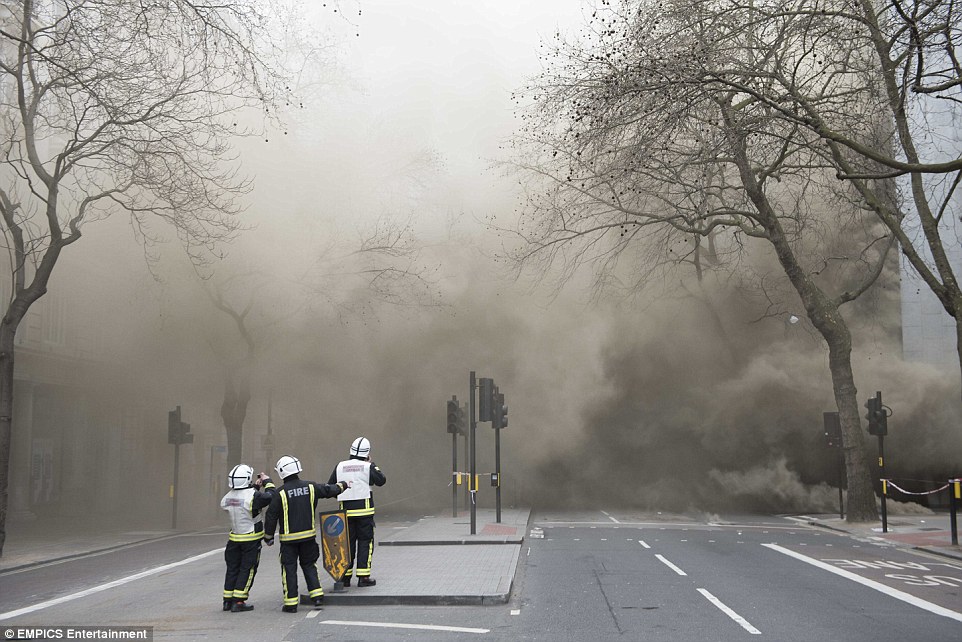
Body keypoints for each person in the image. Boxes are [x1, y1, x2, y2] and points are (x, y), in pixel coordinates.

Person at [263, 455, 349, 613]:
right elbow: (328, 490)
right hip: (308, 538)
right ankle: (317, 596)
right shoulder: (310, 487)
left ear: (282, 472)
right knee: (310, 565)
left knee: (289, 569)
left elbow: (271, 516)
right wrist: (343, 485)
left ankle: (291, 604)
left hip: (288, 542)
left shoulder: (280, 493)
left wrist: (268, 537)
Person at [328, 437, 386, 587]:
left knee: (347, 544)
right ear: (367, 453)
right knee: (365, 542)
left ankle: (345, 578)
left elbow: (330, 487)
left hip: (345, 513)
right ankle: (363, 577)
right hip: (364, 513)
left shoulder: (339, 466)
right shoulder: (367, 466)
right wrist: (372, 465)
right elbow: (381, 480)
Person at [219, 464, 276, 613]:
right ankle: (239, 601)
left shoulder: (227, 498)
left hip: (233, 540)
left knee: (232, 569)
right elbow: (271, 496)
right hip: (251, 539)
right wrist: (267, 481)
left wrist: (254, 488)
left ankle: (227, 601)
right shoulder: (253, 496)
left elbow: (244, 501)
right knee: (248, 569)